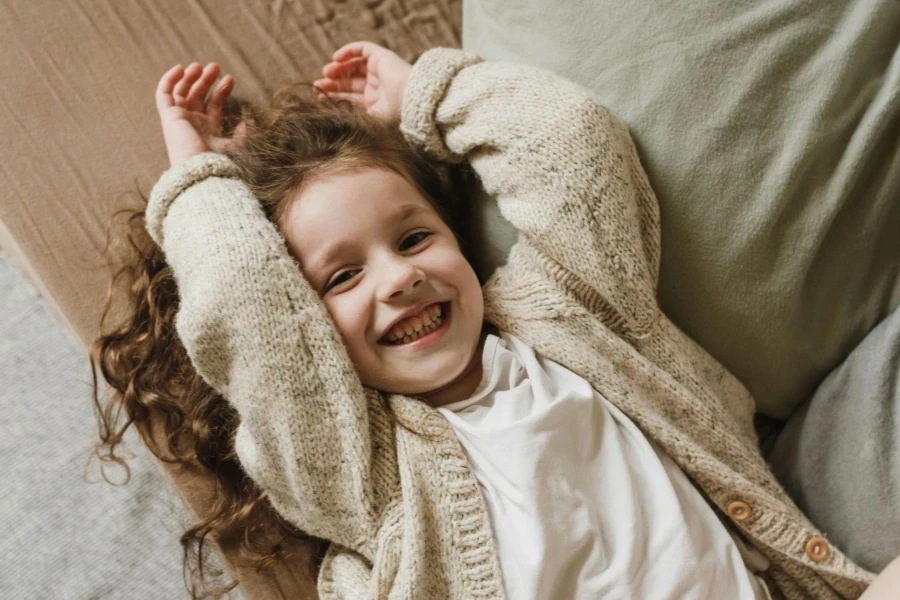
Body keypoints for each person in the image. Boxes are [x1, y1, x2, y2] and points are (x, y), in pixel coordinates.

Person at [93, 41, 897, 598]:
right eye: (342, 276)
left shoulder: (571, 316)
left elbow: (573, 150)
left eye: (413, 238)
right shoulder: (363, 467)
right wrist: (198, 177)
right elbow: (244, 303)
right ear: (303, 326)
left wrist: (427, 97)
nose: (401, 276)